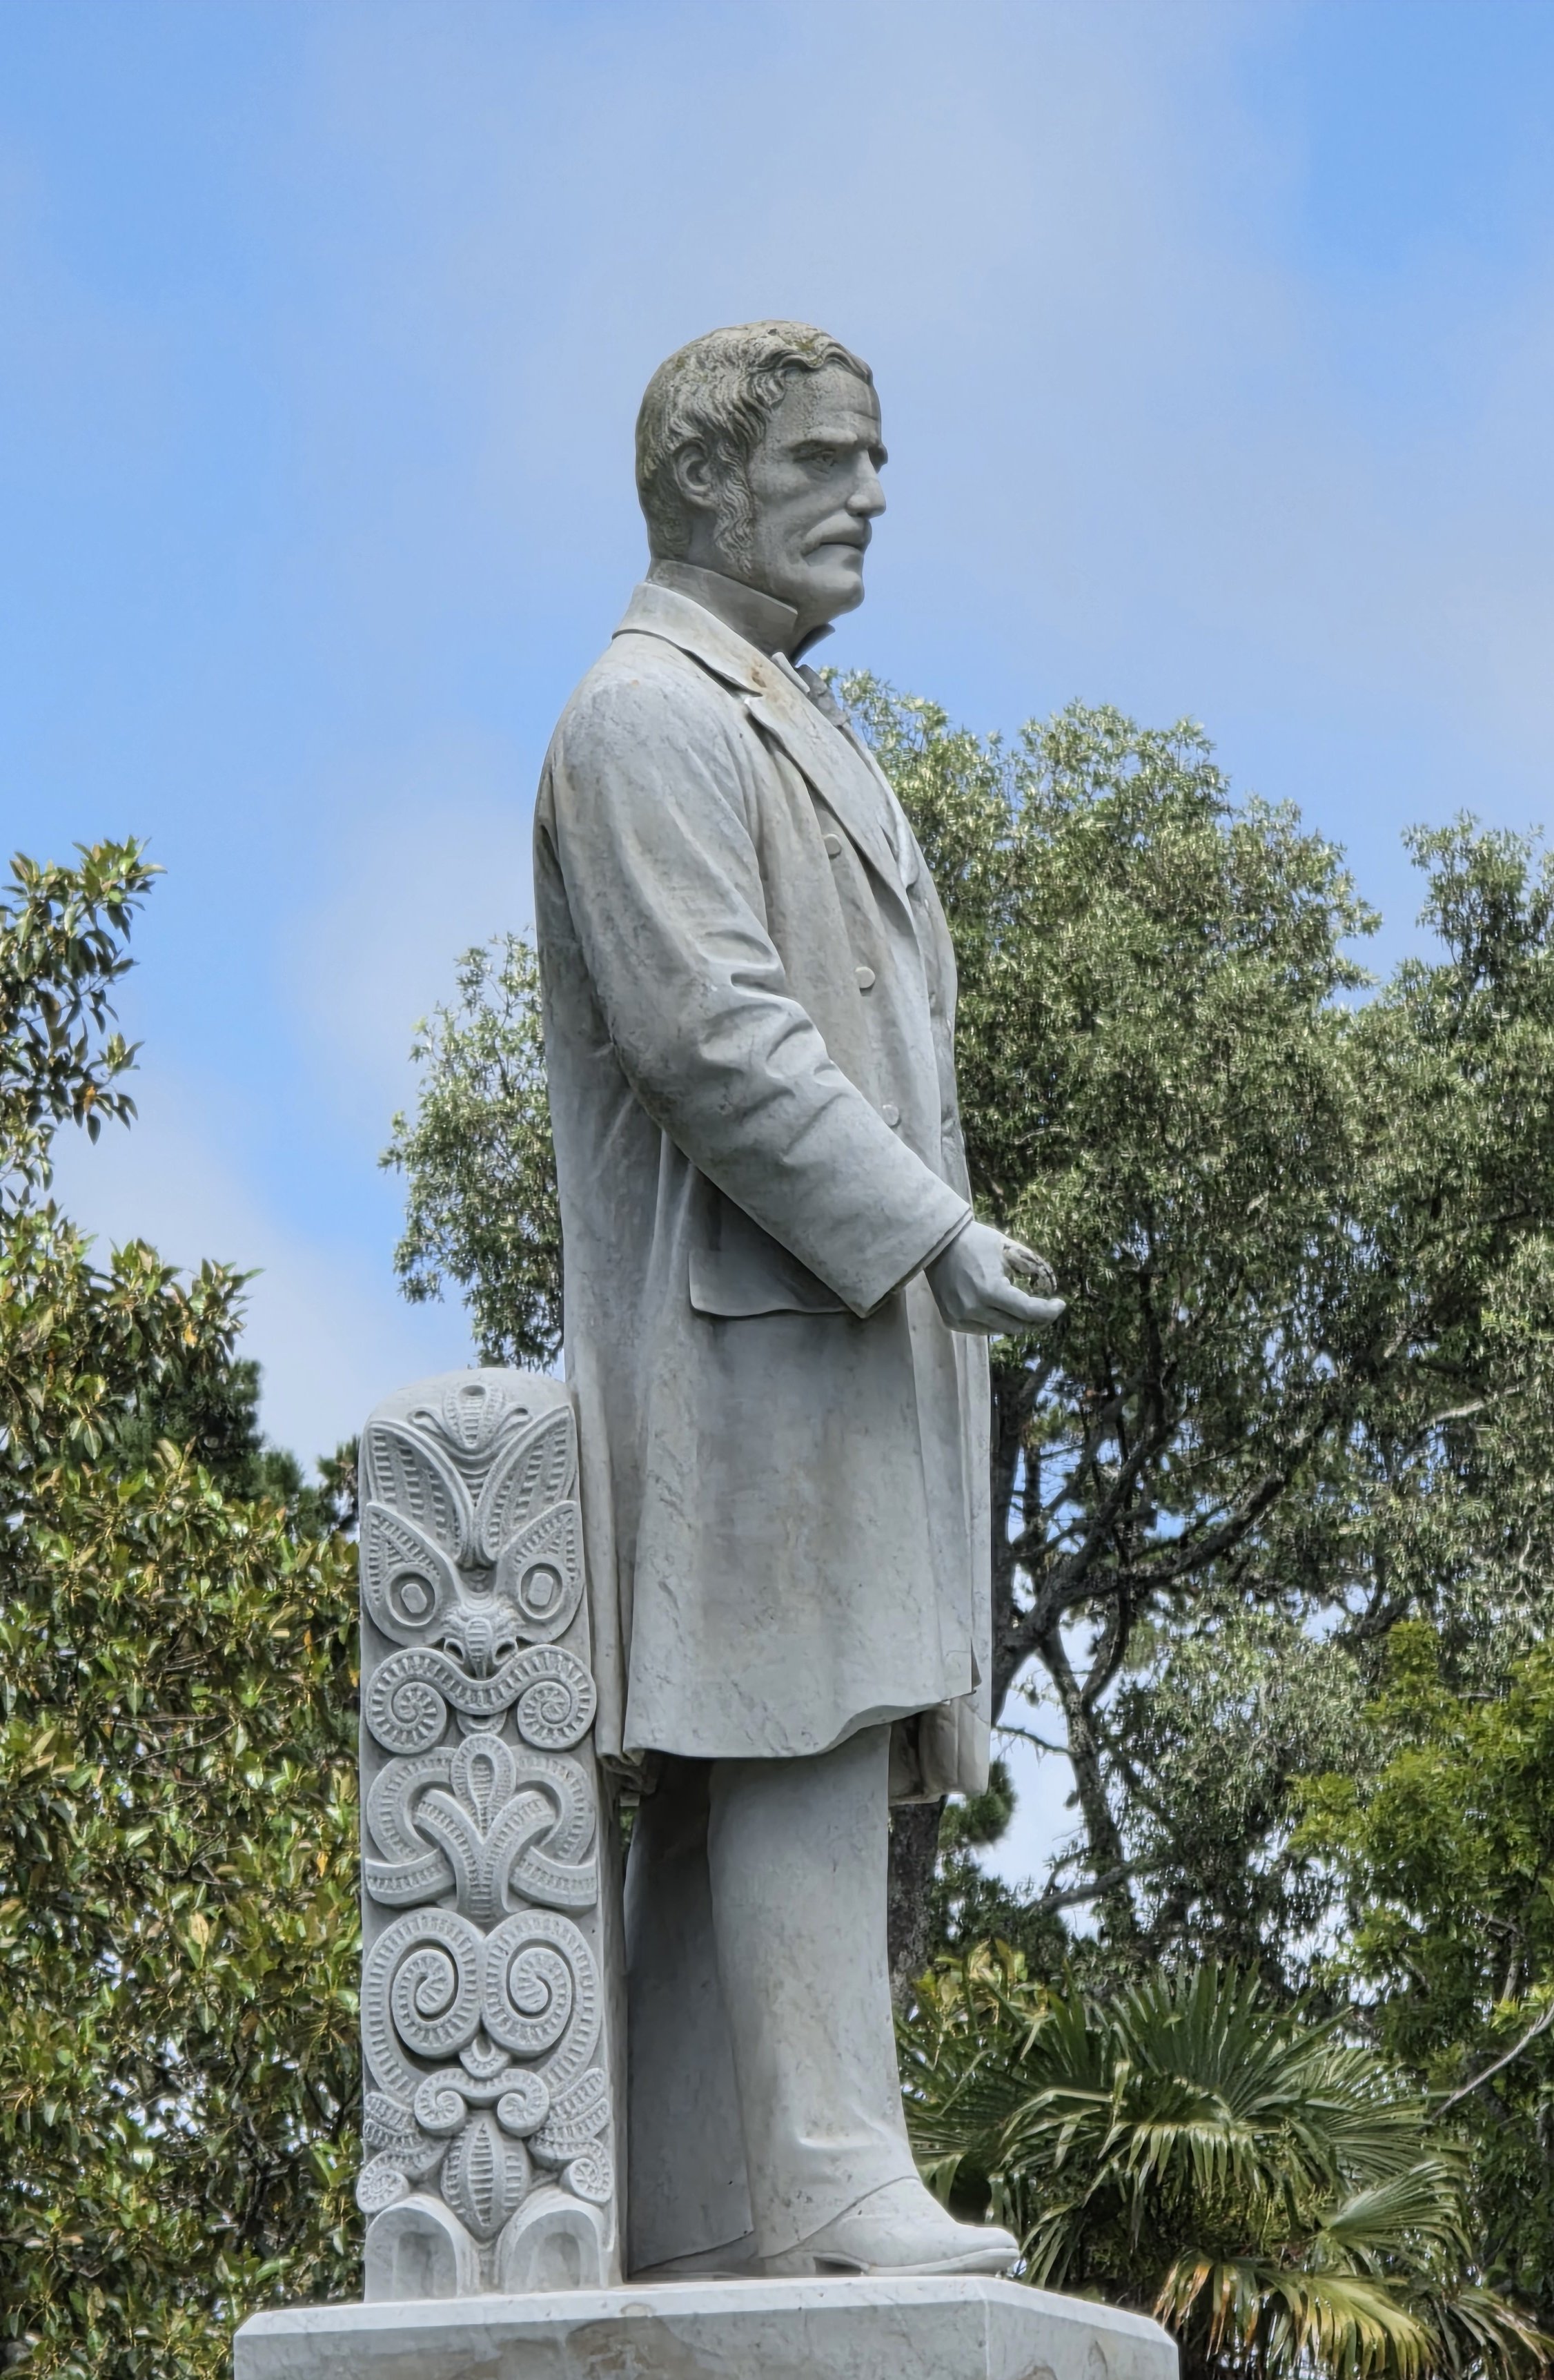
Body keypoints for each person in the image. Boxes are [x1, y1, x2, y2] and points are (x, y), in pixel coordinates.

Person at [533, 321, 1062, 2279]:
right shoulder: (644, 716)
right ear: (700, 480)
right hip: (751, 1329)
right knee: (795, 1728)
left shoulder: (769, 709)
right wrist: (923, 1230)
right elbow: (712, 1035)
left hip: (821, 1324)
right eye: (826, 457)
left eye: (873, 455)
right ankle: (829, 2174)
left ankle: (697, 2201)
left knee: (769, 1752)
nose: (869, 492)